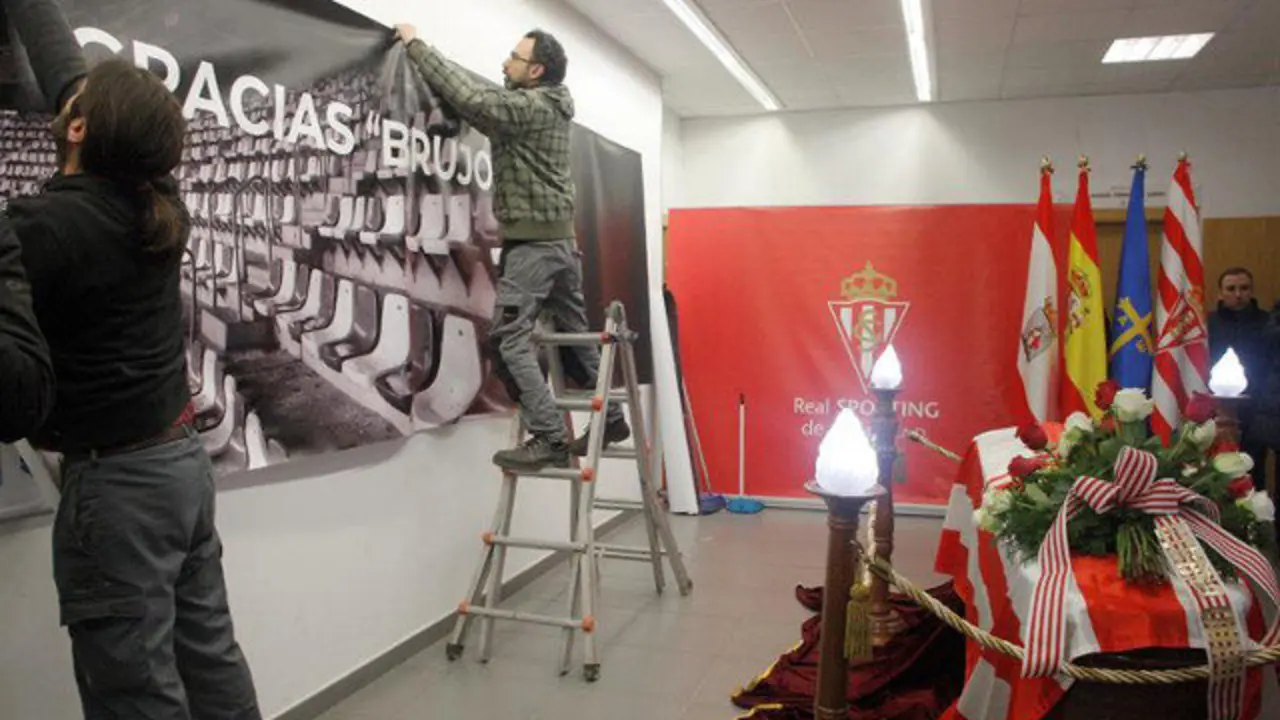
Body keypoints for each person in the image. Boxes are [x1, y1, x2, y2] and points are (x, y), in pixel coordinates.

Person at [10, 58, 261, 719]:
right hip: (179, 467)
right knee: (211, 660)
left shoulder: (39, 229)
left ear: (79, 129)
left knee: (136, 694)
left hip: (118, 492)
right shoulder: (159, 204)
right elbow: (79, 96)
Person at [394, 24, 630, 472]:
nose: (505, 63)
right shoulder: (551, 106)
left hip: (535, 246)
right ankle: (613, 418)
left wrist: (416, 46)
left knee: (507, 339)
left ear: (537, 70)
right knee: (576, 330)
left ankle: (548, 436)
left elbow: (477, 102)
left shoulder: (531, 106)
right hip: (560, 243)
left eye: (514, 58)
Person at [1207, 267, 1272, 488]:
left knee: (1253, 471)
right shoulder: (1208, 325)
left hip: (1256, 411)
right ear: (1220, 293)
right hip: (1215, 412)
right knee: (1215, 470)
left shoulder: (1268, 323)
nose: (1237, 294)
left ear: (1251, 291)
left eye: (1244, 288)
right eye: (1231, 288)